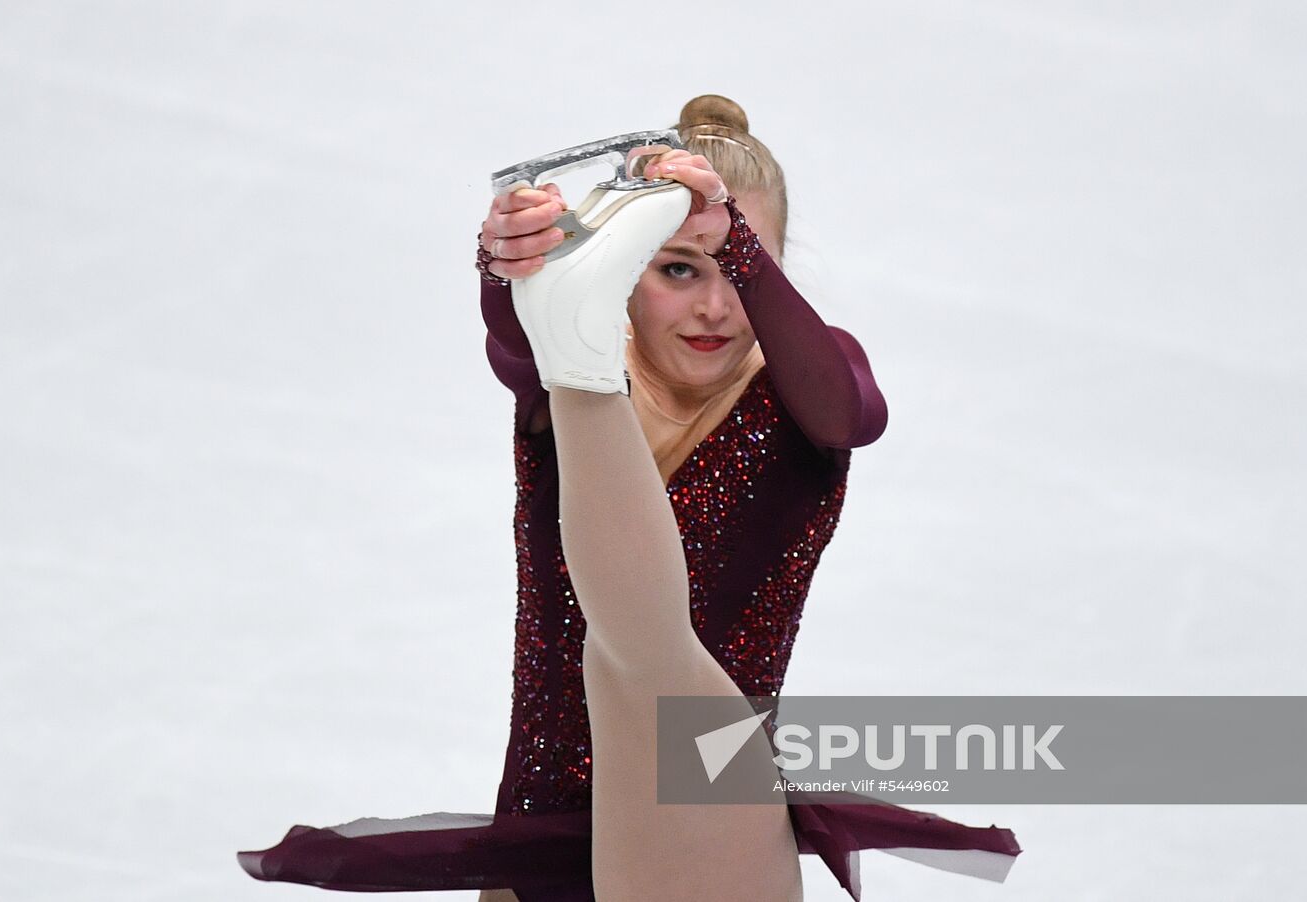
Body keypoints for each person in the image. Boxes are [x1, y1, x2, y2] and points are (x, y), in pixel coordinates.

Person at [237, 94, 1019, 901]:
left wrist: (729, 239)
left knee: (642, 654)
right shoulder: (565, 391)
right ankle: (582, 321)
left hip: (707, 795)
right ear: (629, 268)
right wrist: (512, 265)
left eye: (742, 267)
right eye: (678, 268)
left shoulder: (802, 393)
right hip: (541, 835)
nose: (715, 306)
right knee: (581, 400)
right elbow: (515, 341)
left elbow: (853, 414)